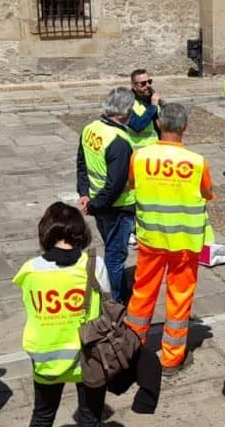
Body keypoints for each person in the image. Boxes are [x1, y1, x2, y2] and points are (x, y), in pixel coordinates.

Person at [124, 103, 214, 375]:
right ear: (184, 127)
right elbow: (207, 193)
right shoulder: (197, 162)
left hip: (151, 237)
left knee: (142, 294)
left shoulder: (139, 157)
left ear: (159, 125)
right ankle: (171, 358)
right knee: (179, 297)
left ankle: (132, 349)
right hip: (185, 242)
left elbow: (131, 185)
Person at [13, 202, 109, 427]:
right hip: (89, 357)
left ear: (46, 232)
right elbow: (107, 301)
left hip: (47, 358)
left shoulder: (30, 270)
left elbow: (29, 304)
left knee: (43, 415)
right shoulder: (95, 265)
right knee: (90, 417)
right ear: (81, 232)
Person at [76, 87, 136, 304]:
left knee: (110, 246)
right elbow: (116, 184)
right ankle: (117, 300)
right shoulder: (119, 141)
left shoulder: (91, 128)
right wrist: (94, 205)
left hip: (96, 201)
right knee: (115, 255)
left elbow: (81, 164)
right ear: (125, 113)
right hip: (117, 207)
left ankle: (114, 291)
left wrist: (84, 194)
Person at [126, 69, 161, 150]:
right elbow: (137, 125)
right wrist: (152, 107)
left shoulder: (153, 99)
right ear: (134, 86)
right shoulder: (127, 102)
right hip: (136, 152)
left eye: (149, 81)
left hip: (154, 150)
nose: (148, 85)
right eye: (143, 83)